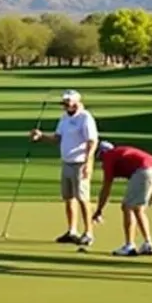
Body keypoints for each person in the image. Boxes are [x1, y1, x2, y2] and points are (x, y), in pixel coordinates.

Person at [31, 89, 98, 246]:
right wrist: (41, 136)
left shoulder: (85, 118)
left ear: (77, 103)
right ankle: (72, 231)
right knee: (68, 198)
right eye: (64, 103)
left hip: (80, 163)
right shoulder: (64, 118)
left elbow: (92, 142)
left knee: (83, 199)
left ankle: (88, 233)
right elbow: (57, 138)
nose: (65, 106)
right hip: (67, 162)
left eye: (68, 103)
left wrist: (88, 163)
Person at [92, 140, 152, 256]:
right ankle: (148, 243)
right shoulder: (118, 153)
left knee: (127, 207)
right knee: (138, 209)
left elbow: (106, 188)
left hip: (145, 171)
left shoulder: (109, 157)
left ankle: (129, 245)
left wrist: (99, 210)